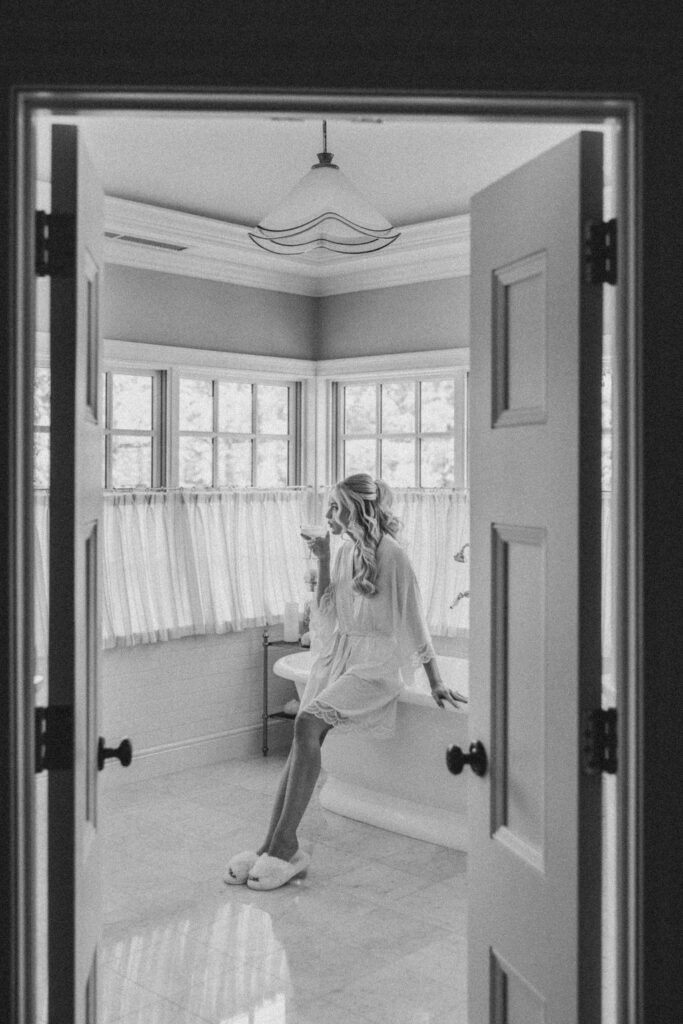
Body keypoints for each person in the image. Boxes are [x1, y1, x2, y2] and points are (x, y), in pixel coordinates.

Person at [224, 472, 464, 891]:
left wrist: (436, 680)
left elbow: (416, 622)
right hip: (342, 657)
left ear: (356, 508)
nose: (328, 515)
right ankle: (270, 845)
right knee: (300, 742)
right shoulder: (343, 552)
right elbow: (326, 615)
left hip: (375, 666)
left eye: (335, 507)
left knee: (306, 723)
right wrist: (321, 558)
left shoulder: (393, 555)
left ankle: (286, 845)